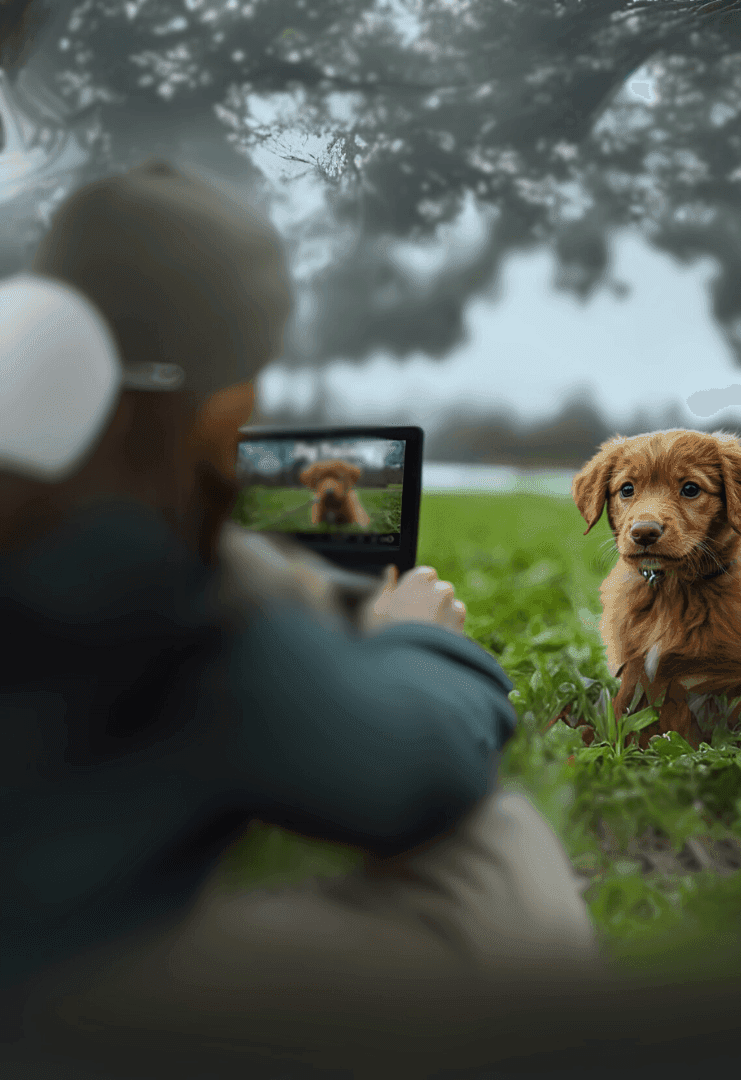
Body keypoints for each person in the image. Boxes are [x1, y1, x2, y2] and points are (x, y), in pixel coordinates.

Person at [0, 160, 599, 1077]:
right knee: (500, 854)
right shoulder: (186, 604)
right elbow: (416, 770)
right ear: (231, 398)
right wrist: (422, 644)